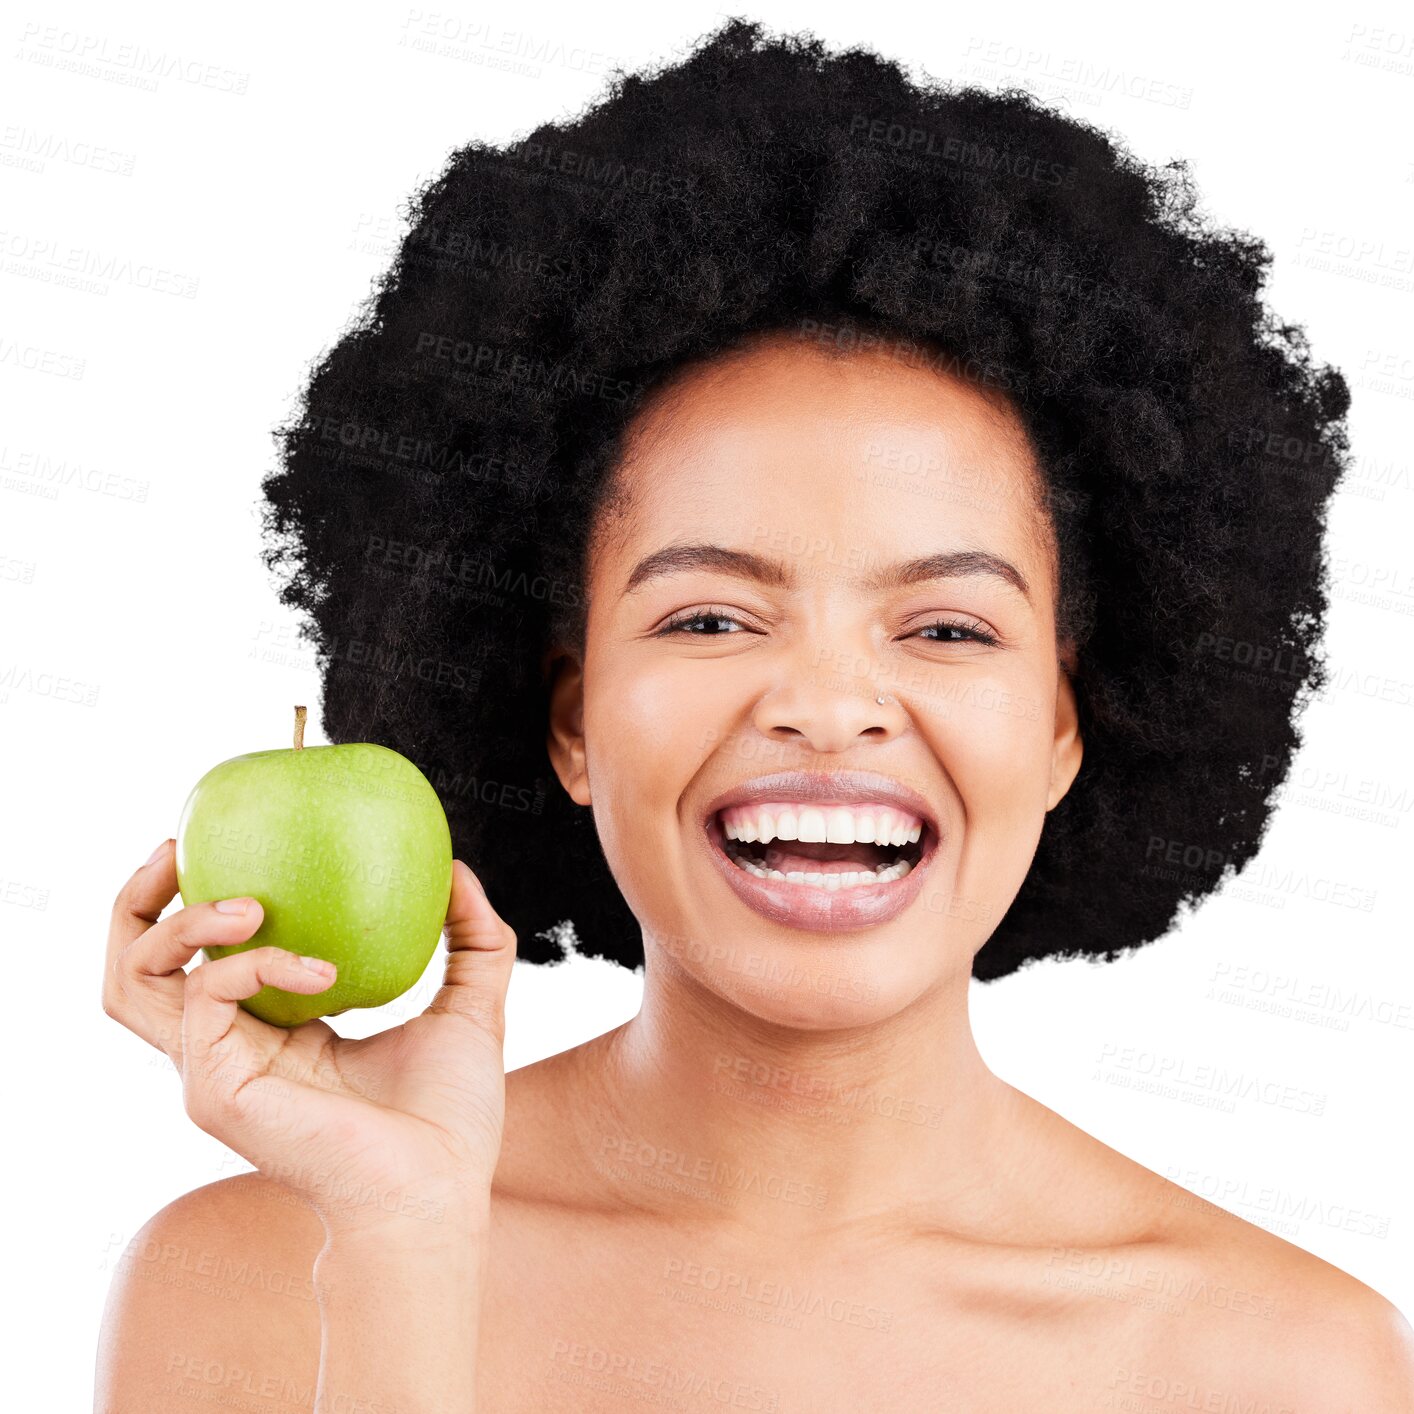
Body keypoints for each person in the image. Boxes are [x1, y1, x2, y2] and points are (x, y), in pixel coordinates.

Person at [97, 17, 1414, 1410]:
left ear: (1065, 724)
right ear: (569, 717)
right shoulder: (249, 1278)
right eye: (711, 616)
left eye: (947, 626)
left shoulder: (1284, 1363)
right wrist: (400, 1238)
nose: (830, 705)